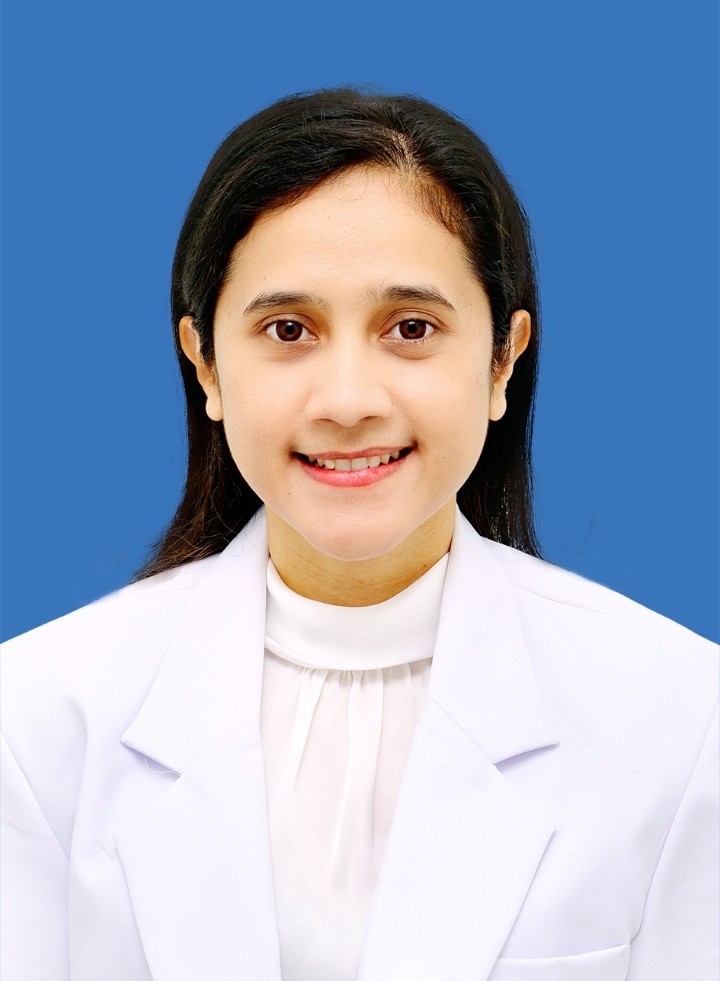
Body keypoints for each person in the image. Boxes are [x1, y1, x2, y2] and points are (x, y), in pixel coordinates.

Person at [1, 88, 717, 981]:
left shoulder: (681, 715)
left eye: (411, 328)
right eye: (288, 329)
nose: (347, 400)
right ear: (206, 364)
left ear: (503, 359)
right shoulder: (33, 715)